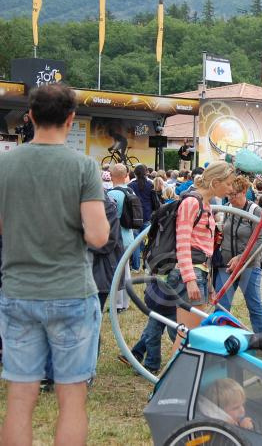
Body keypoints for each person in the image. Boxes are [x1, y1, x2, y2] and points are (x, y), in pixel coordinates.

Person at [0, 83, 109, 445]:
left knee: (19, 398)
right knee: (72, 398)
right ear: (70, 118)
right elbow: (97, 237)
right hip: (70, 293)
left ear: (29, 117)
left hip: (18, 291)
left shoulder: (5, 164)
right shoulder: (83, 167)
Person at [170, 161, 236, 354]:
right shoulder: (192, 203)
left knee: (190, 335)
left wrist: (208, 284)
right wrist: (190, 280)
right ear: (216, 182)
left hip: (199, 272)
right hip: (189, 273)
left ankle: (178, 379)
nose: (231, 189)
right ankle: (173, 381)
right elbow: (182, 244)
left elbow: (203, 249)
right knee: (187, 336)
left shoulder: (206, 205)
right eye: (229, 183)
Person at [215, 175, 262, 333]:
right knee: (221, 305)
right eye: (228, 195)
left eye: (234, 195)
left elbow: (261, 240)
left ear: (244, 191)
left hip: (249, 265)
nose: (230, 198)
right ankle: (217, 340)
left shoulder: (255, 211)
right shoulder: (228, 209)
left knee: (254, 306)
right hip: (227, 265)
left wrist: (241, 257)